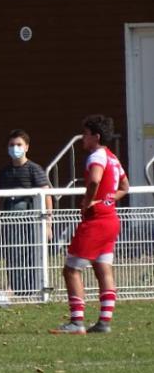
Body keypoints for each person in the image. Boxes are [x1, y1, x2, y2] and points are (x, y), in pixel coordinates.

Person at [51, 115, 129, 335]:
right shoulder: (112, 157)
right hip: (111, 219)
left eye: (85, 134)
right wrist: (108, 199)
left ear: (96, 136)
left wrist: (88, 200)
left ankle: (77, 322)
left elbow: (94, 179)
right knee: (103, 268)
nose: (82, 138)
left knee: (71, 269)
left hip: (96, 221)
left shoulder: (97, 156)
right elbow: (125, 185)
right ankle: (104, 322)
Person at [0, 129, 53, 297]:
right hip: (10, 219)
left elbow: (47, 196)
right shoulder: (5, 172)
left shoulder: (34, 169)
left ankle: (33, 288)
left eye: (19, 145)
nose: (15, 148)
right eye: (11, 145)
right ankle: (14, 287)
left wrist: (48, 223)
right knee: (12, 252)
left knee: (30, 252)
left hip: (30, 220)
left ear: (27, 147)